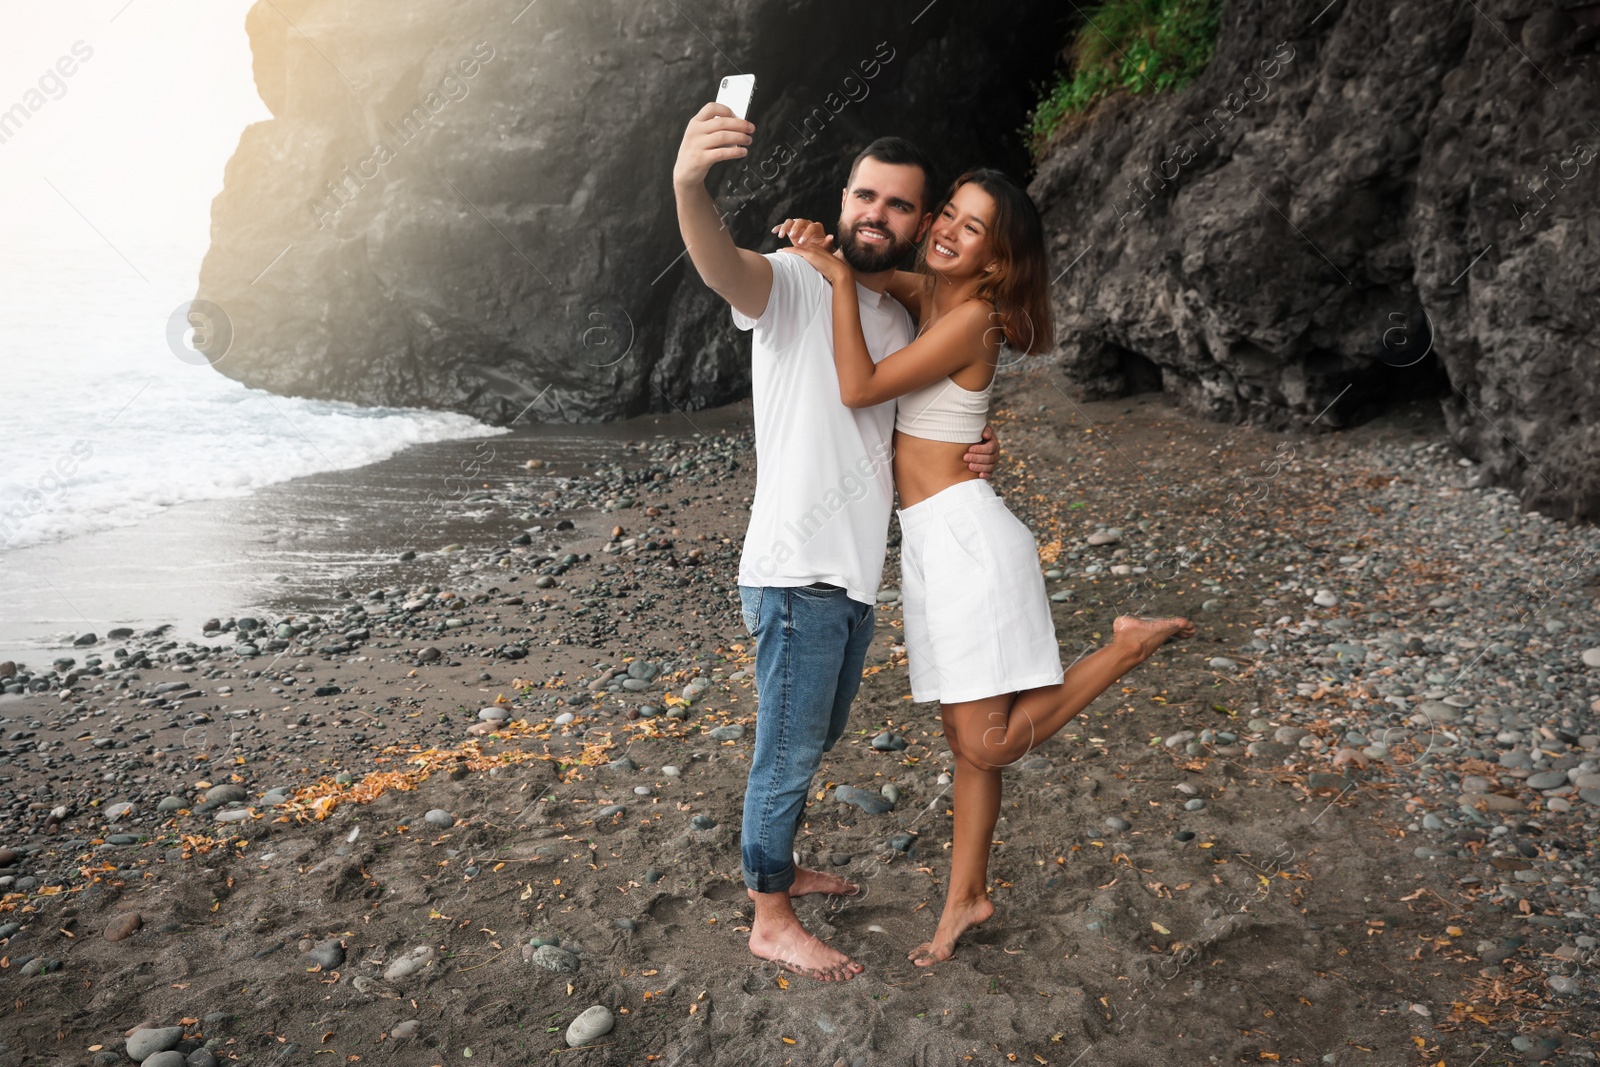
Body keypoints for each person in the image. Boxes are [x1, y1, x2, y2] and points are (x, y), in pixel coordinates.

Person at [776, 169, 1195, 967]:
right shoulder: (927, 292)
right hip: (934, 541)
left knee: (993, 743)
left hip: (969, 542)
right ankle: (965, 895)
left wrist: (833, 277)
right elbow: (872, 268)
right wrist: (817, 242)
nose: (947, 232)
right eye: (949, 215)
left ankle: (1126, 647)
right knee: (966, 745)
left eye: (972, 229)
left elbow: (860, 385)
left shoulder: (971, 316)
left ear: (996, 261)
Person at [671, 103, 1001, 981]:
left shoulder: (897, 317)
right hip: (793, 569)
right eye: (864, 196)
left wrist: (974, 445)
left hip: (853, 577)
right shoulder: (792, 281)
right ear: (842, 197)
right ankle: (769, 914)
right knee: (785, 749)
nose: (874, 215)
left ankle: (778, 868)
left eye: (898, 206)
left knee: (813, 737)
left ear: (924, 224)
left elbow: (897, 442)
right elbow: (720, 265)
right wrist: (687, 183)